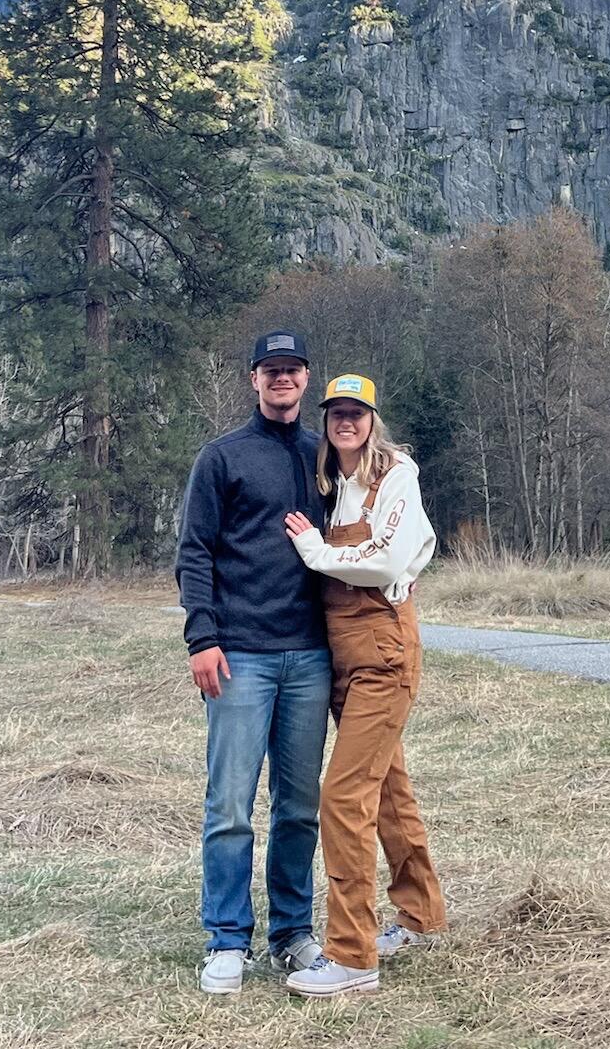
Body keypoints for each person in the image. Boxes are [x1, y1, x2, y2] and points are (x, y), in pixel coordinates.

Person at [175, 330, 333, 996]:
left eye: (292, 370)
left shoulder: (326, 457)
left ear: (305, 378)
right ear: (254, 380)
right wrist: (201, 638)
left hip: (310, 657)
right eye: (271, 371)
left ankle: (293, 933)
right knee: (231, 805)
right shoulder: (222, 458)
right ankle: (226, 940)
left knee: (298, 806)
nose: (282, 380)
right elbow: (194, 552)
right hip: (239, 656)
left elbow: (358, 535)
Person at [282, 371, 447, 997]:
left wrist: (318, 552)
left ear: (373, 420)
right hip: (343, 655)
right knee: (389, 792)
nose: (346, 422)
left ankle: (352, 955)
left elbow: (385, 560)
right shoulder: (338, 485)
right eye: (335, 413)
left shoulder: (393, 476)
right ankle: (422, 916)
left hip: (382, 653)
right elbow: (415, 548)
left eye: (357, 412)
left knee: (343, 798)